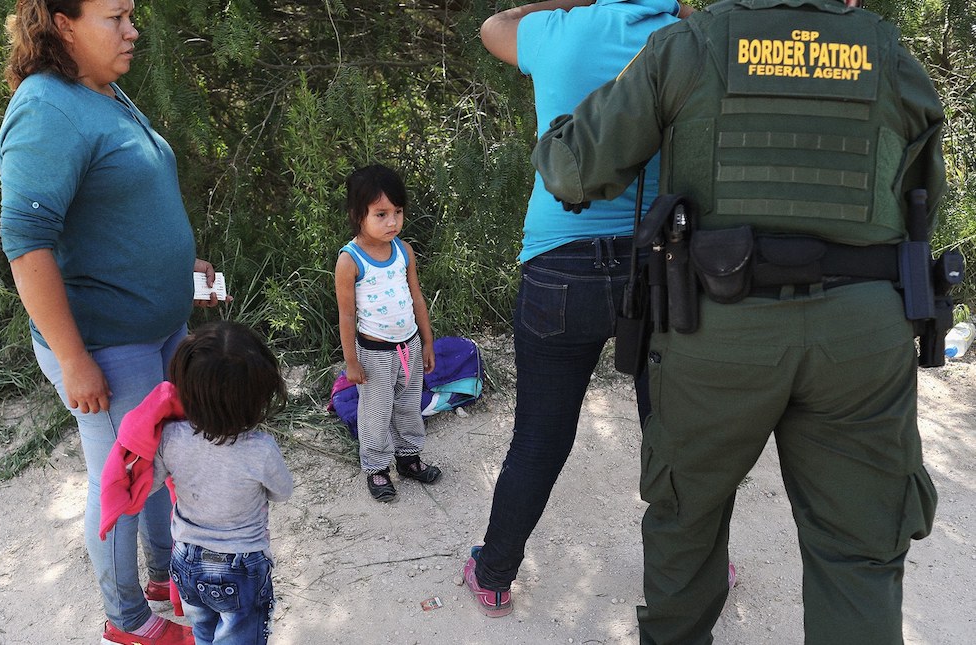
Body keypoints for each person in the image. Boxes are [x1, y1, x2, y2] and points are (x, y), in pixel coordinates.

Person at [530, 0, 944, 642]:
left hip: (716, 327)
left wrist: (557, 128)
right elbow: (921, 203)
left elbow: (577, 170)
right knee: (860, 552)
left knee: (686, 521)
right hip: (862, 337)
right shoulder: (890, 54)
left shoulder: (687, 45)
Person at [0, 1, 219, 643]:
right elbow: (25, 241)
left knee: (154, 461)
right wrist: (73, 359)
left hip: (156, 326)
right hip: (105, 341)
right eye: (115, 16)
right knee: (120, 479)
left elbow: (123, 206)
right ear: (63, 25)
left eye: (132, 13)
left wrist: (182, 264)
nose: (132, 28)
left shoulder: (102, 90)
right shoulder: (46, 109)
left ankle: (158, 576)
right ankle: (128, 622)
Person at [464, 0, 687, 617]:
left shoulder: (555, 33)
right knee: (674, 434)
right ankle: (695, 569)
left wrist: (573, 5)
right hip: (660, 263)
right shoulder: (686, 37)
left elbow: (491, 27)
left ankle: (495, 572)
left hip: (560, 259)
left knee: (539, 435)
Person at [150, 321, 294, 645]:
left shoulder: (171, 437)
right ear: (256, 397)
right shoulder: (261, 449)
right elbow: (283, 492)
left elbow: (152, 484)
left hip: (187, 558)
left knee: (204, 631)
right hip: (242, 565)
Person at [335, 164, 440, 502]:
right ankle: (377, 468)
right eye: (381, 214)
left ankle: (408, 458)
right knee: (375, 413)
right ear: (357, 214)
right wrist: (352, 361)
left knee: (409, 406)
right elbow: (347, 315)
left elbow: (416, 297)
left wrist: (426, 341)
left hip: (408, 346)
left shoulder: (403, 251)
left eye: (398, 212)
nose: (392, 221)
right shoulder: (350, 261)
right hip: (374, 354)